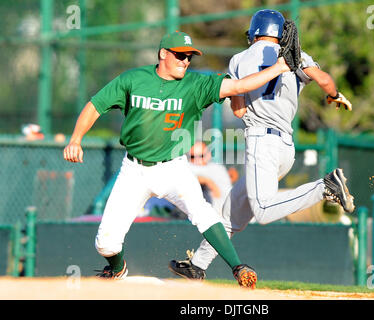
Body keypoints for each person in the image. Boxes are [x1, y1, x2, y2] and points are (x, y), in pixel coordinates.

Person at [63, 30, 291, 288]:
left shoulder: (195, 84)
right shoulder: (133, 79)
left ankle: (238, 268)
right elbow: (96, 105)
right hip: (134, 170)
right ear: (163, 54)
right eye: (180, 55)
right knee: (105, 243)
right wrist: (75, 140)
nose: (185, 61)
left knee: (203, 213)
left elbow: (238, 86)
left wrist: (280, 67)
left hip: (173, 168)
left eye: (190, 57)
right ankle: (117, 269)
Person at [168, 10, 355, 281]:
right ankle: (198, 264)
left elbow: (240, 110)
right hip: (286, 146)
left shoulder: (239, 59)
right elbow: (325, 80)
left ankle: (324, 188)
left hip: (261, 141)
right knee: (231, 211)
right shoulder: (295, 56)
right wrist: (335, 95)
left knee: (264, 211)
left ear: (255, 32)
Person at [188, 141, 232, 213]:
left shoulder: (218, 168)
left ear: (208, 155)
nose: (196, 159)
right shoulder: (188, 166)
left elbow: (226, 192)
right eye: (193, 156)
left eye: (201, 156)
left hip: (222, 211)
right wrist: (207, 181)